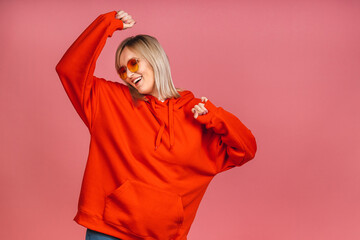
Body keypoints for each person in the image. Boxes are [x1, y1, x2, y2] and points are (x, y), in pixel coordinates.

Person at [55, 9, 257, 240]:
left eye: (133, 64)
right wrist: (105, 25)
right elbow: (69, 70)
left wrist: (215, 117)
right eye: (122, 70)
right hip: (108, 231)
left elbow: (246, 149)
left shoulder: (195, 114)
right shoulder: (109, 101)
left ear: (155, 59)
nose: (128, 75)